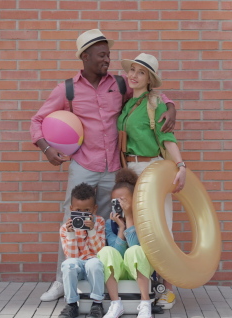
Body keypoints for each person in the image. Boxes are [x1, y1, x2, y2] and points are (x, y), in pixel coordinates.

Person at [29, 29, 178, 302]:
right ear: (84, 56)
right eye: (101, 55)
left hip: (113, 170)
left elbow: (149, 92)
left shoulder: (119, 85)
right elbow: (37, 121)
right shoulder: (67, 89)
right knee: (77, 222)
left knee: (111, 226)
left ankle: (106, 282)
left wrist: (170, 106)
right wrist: (47, 149)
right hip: (84, 166)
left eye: (108, 54)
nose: (107, 59)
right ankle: (63, 280)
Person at [117, 53, 186, 309]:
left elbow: (167, 136)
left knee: (161, 228)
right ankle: (144, 286)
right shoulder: (126, 105)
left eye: (141, 72)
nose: (133, 75)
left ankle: (168, 290)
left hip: (152, 168)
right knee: (137, 228)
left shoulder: (154, 103)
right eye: (132, 70)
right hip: (130, 170)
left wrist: (181, 165)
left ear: (149, 79)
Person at [97, 168, 154, 318]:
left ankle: (145, 302)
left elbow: (135, 247)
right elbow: (116, 254)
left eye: (123, 200)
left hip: (140, 269)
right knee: (107, 250)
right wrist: (121, 228)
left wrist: (129, 217)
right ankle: (116, 304)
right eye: (115, 201)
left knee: (134, 250)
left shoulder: (143, 220)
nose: (119, 204)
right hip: (121, 270)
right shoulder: (110, 224)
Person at [58, 182, 106, 318]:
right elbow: (71, 257)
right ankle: (71, 304)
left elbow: (99, 252)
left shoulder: (100, 223)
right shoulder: (65, 228)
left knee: (95, 263)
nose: (83, 215)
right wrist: (71, 234)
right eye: (78, 211)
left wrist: (91, 231)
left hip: (92, 263)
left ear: (94, 209)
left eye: (87, 211)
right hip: (77, 265)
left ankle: (97, 304)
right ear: (71, 209)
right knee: (68, 265)